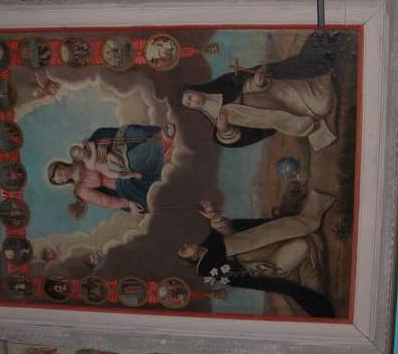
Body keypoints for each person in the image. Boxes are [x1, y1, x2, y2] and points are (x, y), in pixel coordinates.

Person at [178, 190, 335, 317]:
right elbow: (243, 275)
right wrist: (260, 269)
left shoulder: (209, 243)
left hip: (264, 240)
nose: (185, 245)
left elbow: (225, 230)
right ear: (194, 257)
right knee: (302, 245)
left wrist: (214, 218)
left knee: (296, 229)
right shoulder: (211, 268)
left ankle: (312, 214)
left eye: (184, 245)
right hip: (271, 263)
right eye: (184, 250)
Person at [181, 30, 349, 150]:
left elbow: (241, 85)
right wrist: (225, 130)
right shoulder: (216, 122)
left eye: (189, 97)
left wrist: (257, 83)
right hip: (276, 116)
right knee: (310, 118)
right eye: (189, 104)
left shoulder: (220, 87)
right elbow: (234, 137)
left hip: (275, 93)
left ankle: (331, 40)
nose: (192, 102)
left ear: (195, 91)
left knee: (323, 101)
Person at [47, 124, 173, 217]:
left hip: (116, 158)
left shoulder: (79, 158)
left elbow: (95, 144)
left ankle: (158, 134)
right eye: (61, 179)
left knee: (127, 133)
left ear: (62, 165)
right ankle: (163, 142)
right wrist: (128, 204)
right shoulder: (80, 190)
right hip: (120, 182)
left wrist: (97, 146)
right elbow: (105, 201)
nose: (63, 176)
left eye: (60, 173)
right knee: (133, 160)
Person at [69, 140, 143, 180]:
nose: (82, 152)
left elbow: (89, 147)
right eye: (79, 154)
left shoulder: (87, 151)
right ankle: (133, 174)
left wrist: (86, 143)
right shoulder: (88, 164)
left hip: (107, 160)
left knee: (112, 156)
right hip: (108, 170)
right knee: (118, 174)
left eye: (80, 149)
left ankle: (125, 164)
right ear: (79, 159)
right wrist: (92, 147)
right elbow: (94, 157)